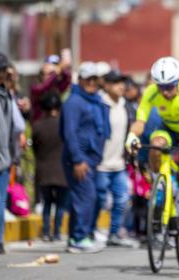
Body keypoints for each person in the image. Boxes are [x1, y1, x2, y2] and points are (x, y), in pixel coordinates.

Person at [125, 57, 179, 256]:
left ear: (178, 81)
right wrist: (131, 136)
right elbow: (140, 121)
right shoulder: (151, 92)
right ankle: (159, 185)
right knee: (155, 145)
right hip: (169, 131)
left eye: (170, 87)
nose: (165, 92)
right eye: (161, 87)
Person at [60, 62, 110, 253]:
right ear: (79, 79)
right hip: (79, 158)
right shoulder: (74, 102)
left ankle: (76, 236)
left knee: (84, 197)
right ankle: (79, 237)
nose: (91, 82)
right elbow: (69, 133)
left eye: (94, 79)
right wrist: (77, 160)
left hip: (90, 158)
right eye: (87, 79)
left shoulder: (94, 100)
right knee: (86, 196)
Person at [92, 70, 135, 247]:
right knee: (99, 200)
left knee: (121, 199)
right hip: (101, 163)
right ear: (107, 85)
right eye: (116, 82)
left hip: (118, 163)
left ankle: (114, 233)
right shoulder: (99, 103)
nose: (121, 86)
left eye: (122, 82)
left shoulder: (126, 105)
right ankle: (90, 230)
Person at [32, 92, 69, 241]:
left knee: (47, 203)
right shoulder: (65, 124)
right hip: (62, 171)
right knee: (60, 204)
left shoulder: (37, 126)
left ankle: (46, 232)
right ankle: (57, 233)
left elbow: (34, 149)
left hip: (43, 170)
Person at [0, 51, 15, 262]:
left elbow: (11, 126)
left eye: (3, 70)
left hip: (4, 157)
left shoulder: (4, 92)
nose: (0, 74)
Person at [30, 53, 71, 122]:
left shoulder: (56, 87)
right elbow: (44, 87)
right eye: (48, 74)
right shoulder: (35, 87)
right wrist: (55, 73)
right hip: (39, 127)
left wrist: (62, 69)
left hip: (54, 126)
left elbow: (67, 78)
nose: (50, 77)